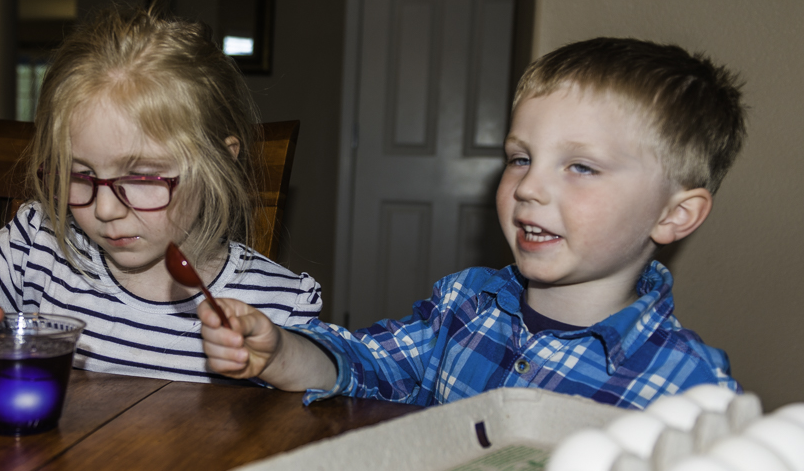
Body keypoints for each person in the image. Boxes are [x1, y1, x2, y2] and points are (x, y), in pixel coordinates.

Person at [198, 37, 746, 408]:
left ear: (674, 215)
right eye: (520, 158)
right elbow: (363, 363)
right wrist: (279, 353)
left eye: (580, 167)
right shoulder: (463, 310)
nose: (528, 187)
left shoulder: (691, 392)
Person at [0, 6, 321, 382]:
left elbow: (325, 414)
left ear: (221, 162)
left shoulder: (278, 305)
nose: (104, 209)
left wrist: (286, 359)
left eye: (142, 178)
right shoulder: (35, 250)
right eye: (78, 175)